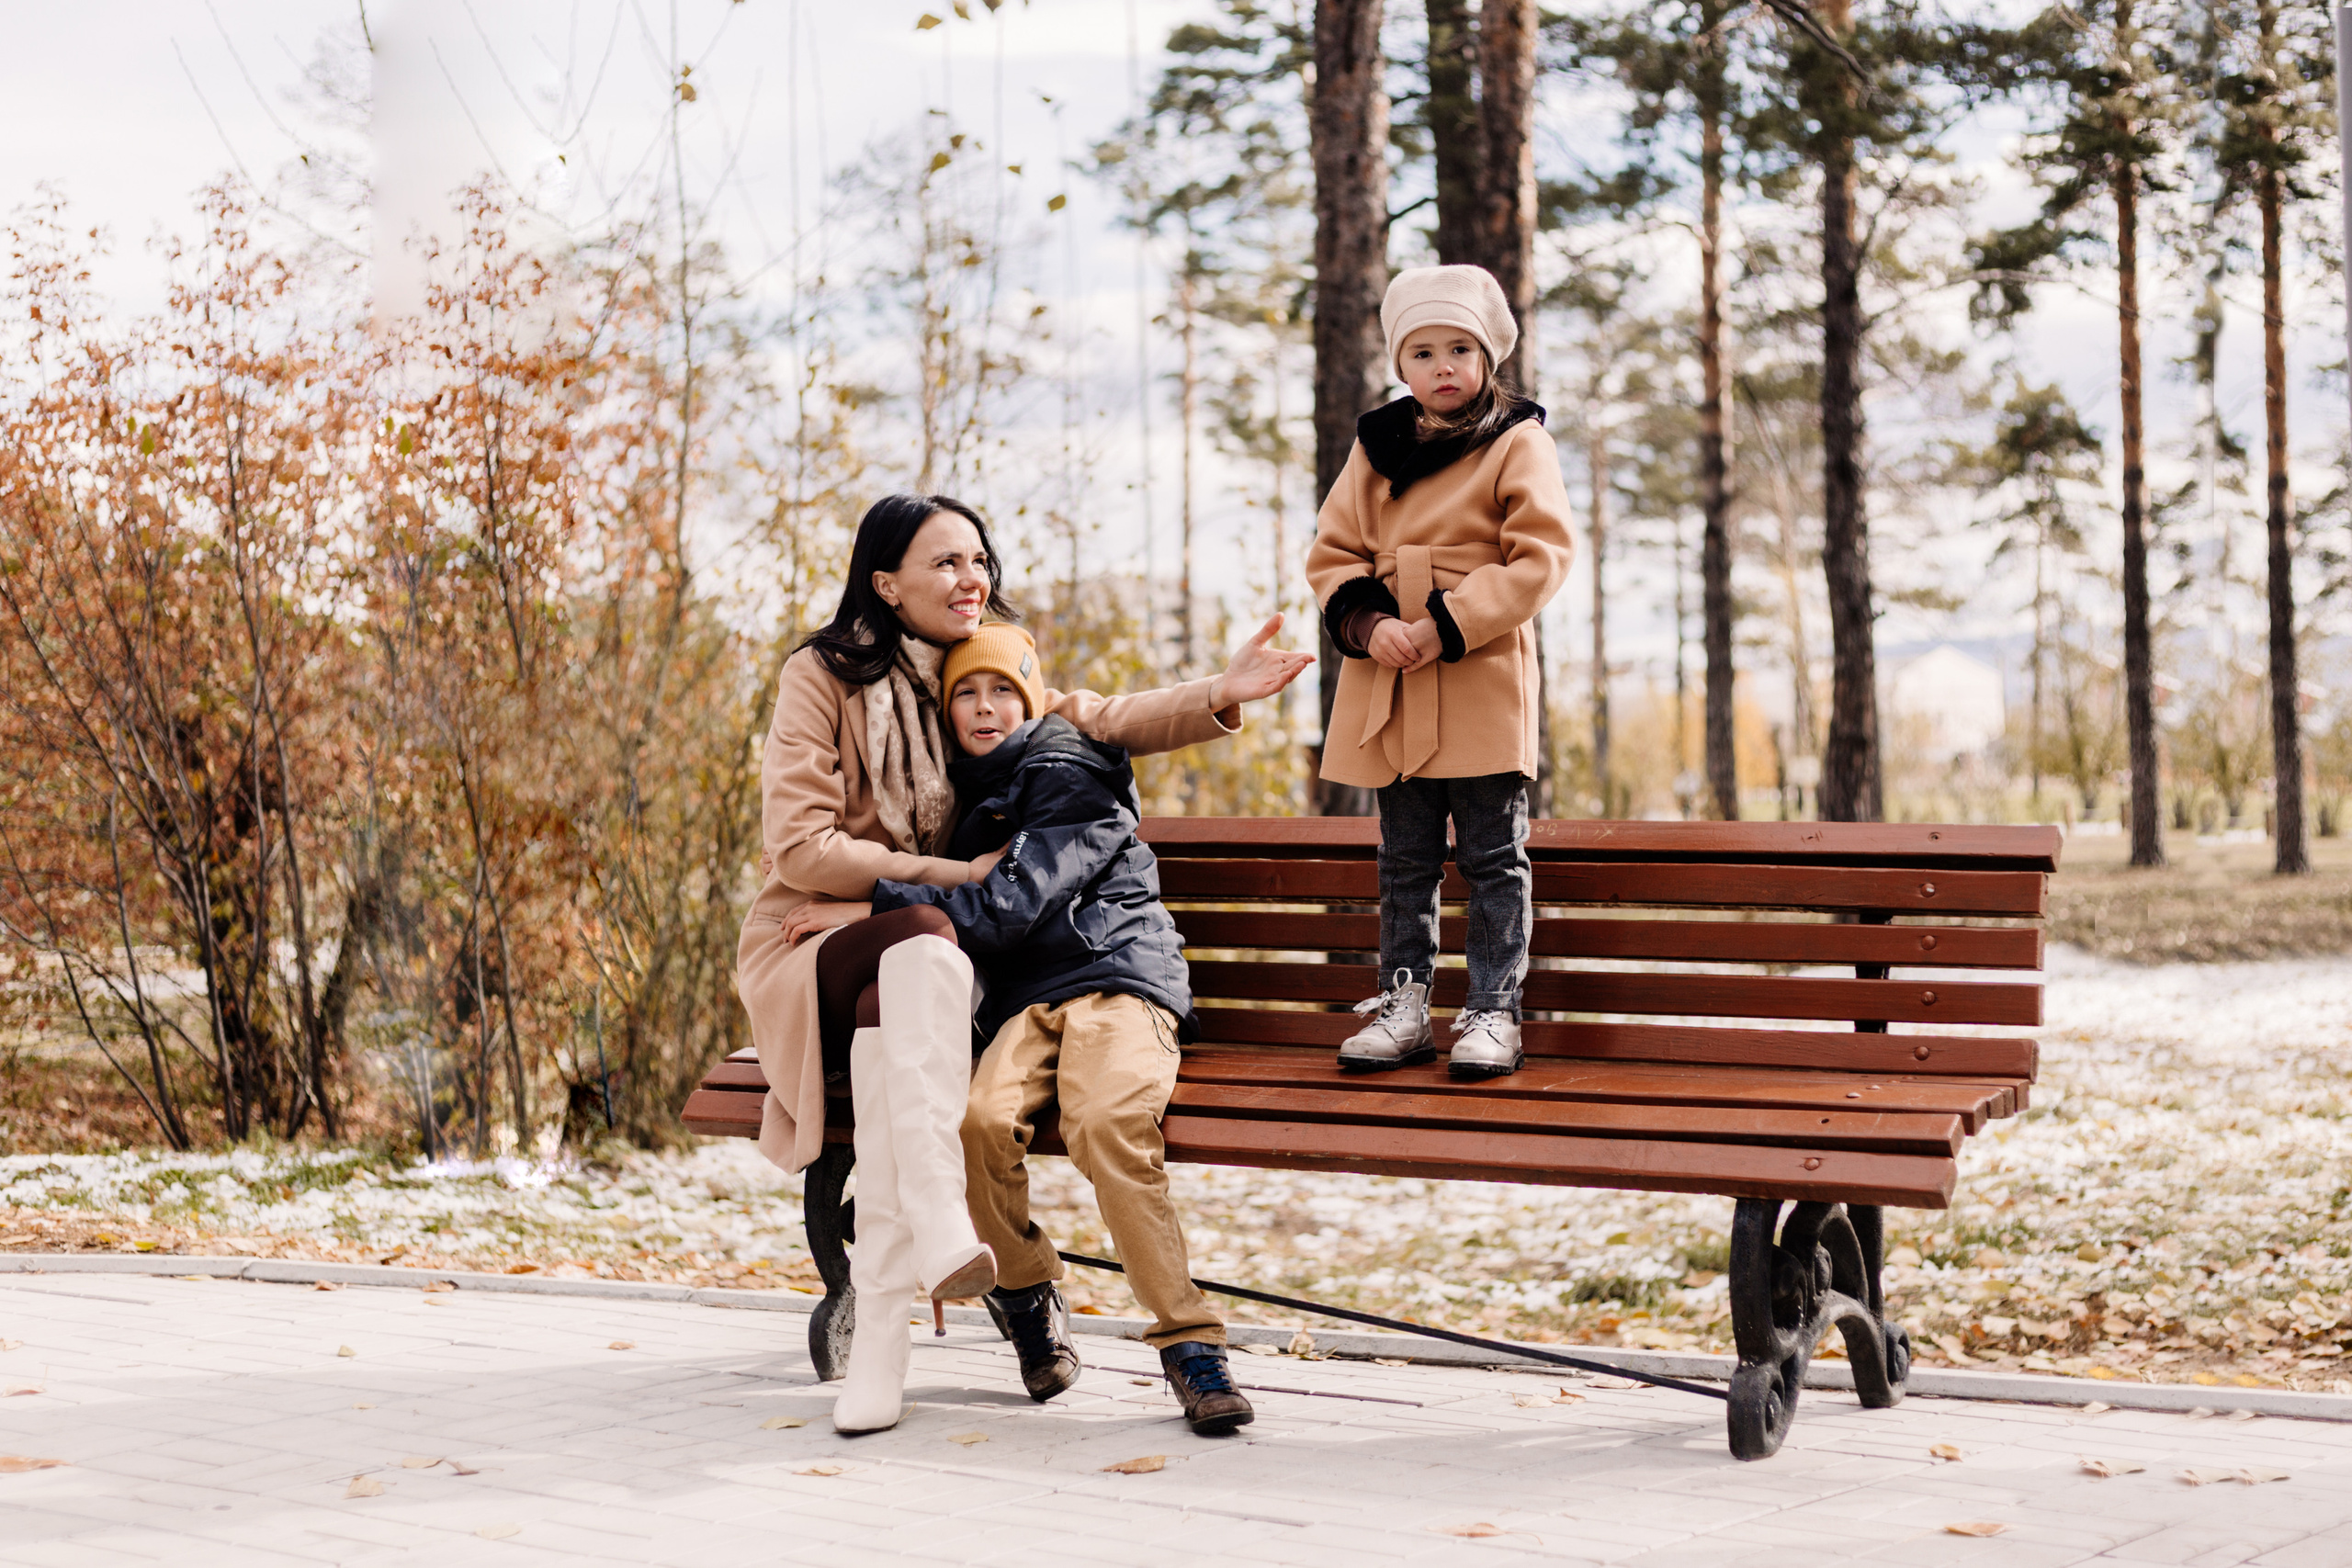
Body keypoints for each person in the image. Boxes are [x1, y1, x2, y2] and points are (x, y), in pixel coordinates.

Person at [739, 493, 1307, 1437]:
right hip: (831, 935)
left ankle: (925, 1311)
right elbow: (799, 849)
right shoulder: (826, 676)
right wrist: (941, 876)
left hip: (967, 956)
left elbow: (1095, 716)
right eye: (946, 564)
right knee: (956, 1068)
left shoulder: (993, 689)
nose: (973, 580)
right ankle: (950, 1241)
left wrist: (1220, 692)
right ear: (885, 584)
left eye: (979, 560)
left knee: (996, 1047)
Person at [865, 625, 1252, 1437]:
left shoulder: (1068, 768)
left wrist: (876, 898)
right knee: (972, 1125)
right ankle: (1028, 1285)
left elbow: (1009, 905)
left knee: (1106, 1124)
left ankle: (1189, 1342)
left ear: (1032, 699)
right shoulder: (972, 801)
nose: (984, 706)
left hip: (1117, 981)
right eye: (966, 693)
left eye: (1003, 689)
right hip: (1032, 1006)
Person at [1305, 265, 1575, 1081]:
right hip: (1391, 668)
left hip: (1476, 662)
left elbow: (1542, 556)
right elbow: (1333, 550)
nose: (1443, 366)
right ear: (1401, 365)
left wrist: (1446, 623)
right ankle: (1405, 1004)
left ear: (1489, 355)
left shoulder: (1517, 440)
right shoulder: (1376, 445)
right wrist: (1371, 621)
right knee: (1405, 857)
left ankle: (1493, 1010)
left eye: (1461, 348)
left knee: (1494, 852)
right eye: (1423, 352)